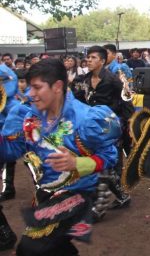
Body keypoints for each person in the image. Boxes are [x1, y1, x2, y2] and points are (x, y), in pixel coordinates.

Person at [0, 58, 120, 255]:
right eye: (30, 88)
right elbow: (12, 150)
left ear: (57, 86)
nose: (31, 94)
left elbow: (110, 156)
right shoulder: (28, 116)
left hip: (82, 192)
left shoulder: (86, 119)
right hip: (46, 194)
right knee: (56, 248)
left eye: (37, 88)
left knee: (31, 247)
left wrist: (77, 162)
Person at [73, 46, 133, 218]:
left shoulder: (114, 80)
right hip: (89, 128)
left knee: (103, 163)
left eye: (93, 57)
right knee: (100, 163)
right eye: (87, 58)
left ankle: (99, 207)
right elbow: (77, 102)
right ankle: (122, 195)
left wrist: (126, 124)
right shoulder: (82, 80)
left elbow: (127, 102)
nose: (89, 60)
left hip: (110, 127)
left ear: (102, 60)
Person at [0, 64, 18, 203]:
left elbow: (9, 96)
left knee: (8, 158)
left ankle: (8, 188)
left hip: (5, 125)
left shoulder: (5, 72)